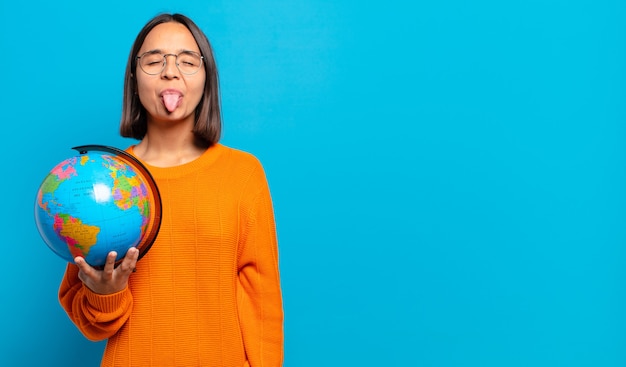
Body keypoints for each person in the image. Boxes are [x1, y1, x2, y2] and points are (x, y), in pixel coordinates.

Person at [58, 13, 284, 367]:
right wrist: (107, 293)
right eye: (153, 60)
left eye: (187, 60)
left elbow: (262, 305)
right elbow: (92, 323)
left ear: (206, 78)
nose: (170, 70)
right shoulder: (105, 180)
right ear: (133, 79)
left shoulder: (243, 174)